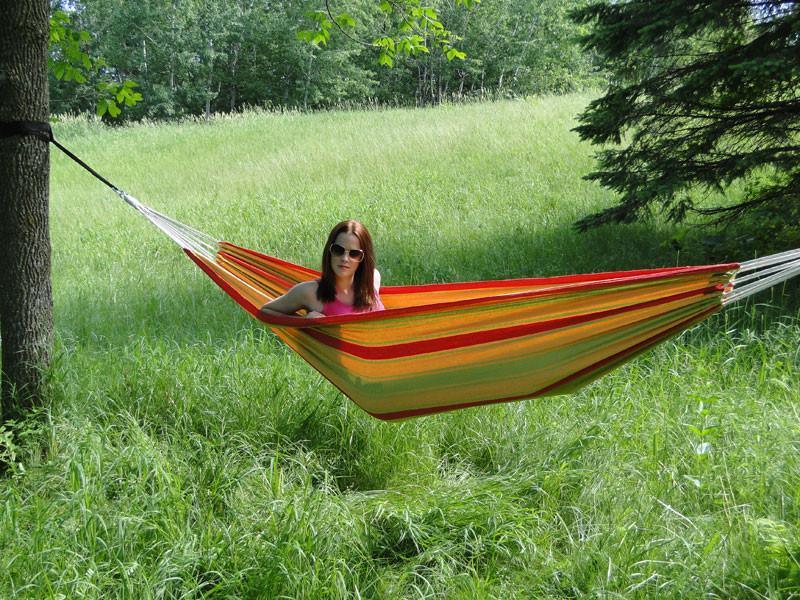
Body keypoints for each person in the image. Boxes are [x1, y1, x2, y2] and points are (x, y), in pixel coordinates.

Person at [259, 220, 385, 318]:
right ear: (329, 252)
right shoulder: (310, 292)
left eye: (354, 254)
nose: (345, 258)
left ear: (363, 258)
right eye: (338, 250)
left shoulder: (373, 278)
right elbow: (266, 311)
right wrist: (304, 322)